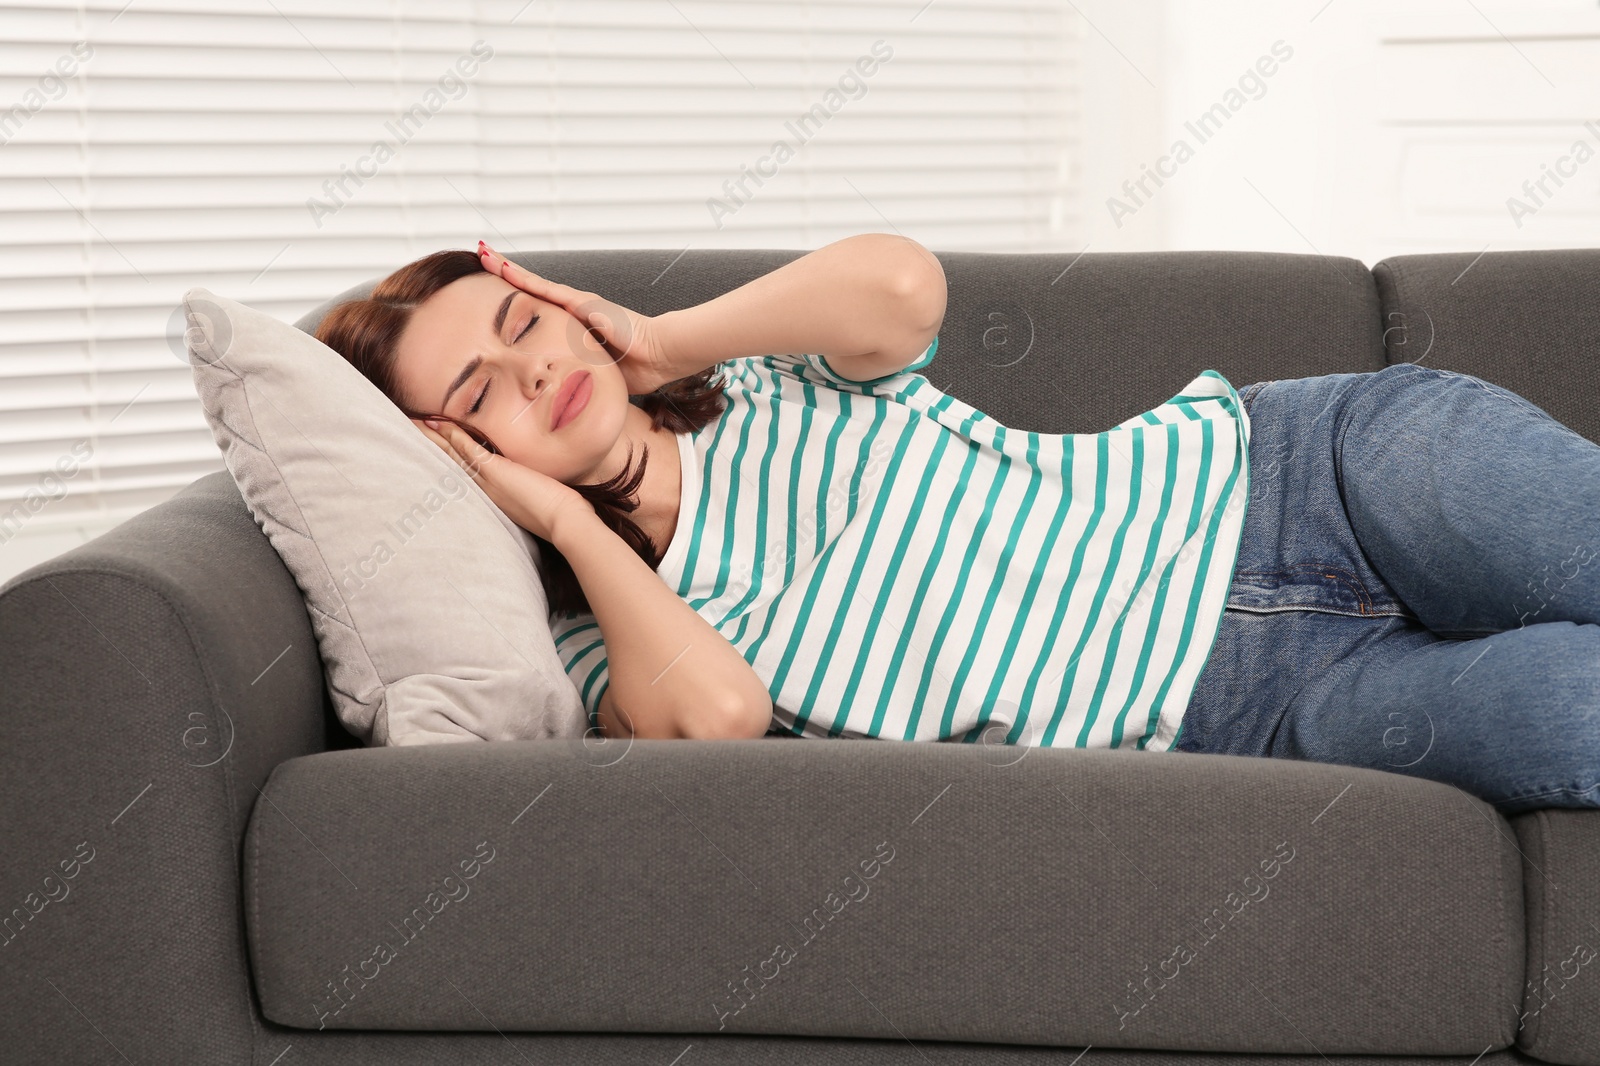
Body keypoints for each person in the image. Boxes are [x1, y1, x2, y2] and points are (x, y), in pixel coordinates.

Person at [315, 236, 1600, 816]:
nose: (532, 372)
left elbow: (899, 284)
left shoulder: (766, 383)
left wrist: (661, 337)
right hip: (1257, 710)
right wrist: (558, 518)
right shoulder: (609, 646)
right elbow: (718, 718)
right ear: (458, 460)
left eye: (523, 321)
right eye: (478, 394)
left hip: (1299, 475)